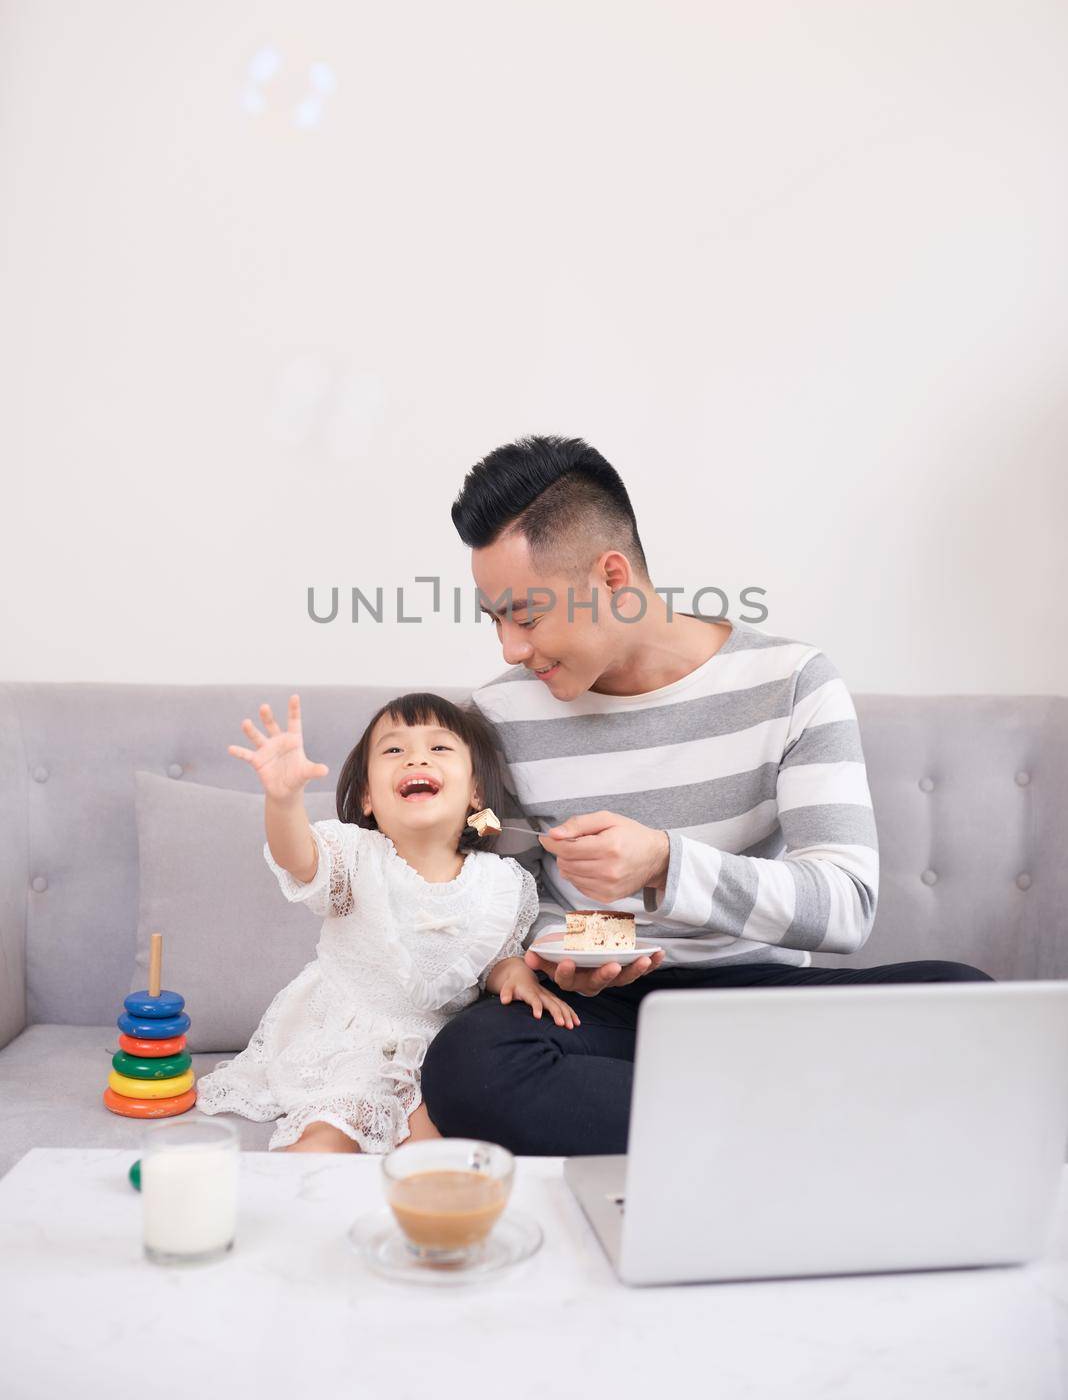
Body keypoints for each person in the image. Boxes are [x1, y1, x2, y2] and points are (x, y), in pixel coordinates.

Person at [419, 434, 993, 1155]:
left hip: (757, 1004)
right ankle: (789, 1130)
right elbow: (514, 901)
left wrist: (665, 865)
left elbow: (847, 905)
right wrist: (568, 953)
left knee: (966, 1004)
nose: (509, 647)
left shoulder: (792, 684)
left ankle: (698, 1126)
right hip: (600, 1019)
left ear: (613, 578)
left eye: (526, 617)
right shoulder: (502, 714)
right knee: (468, 1063)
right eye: (494, 618)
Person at [195, 690, 578, 1154]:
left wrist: (516, 976)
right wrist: (283, 800)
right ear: (367, 797)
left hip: (438, 1053)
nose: (416, 758)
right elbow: (299, 858)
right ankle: (291, 1205)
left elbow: (493, 960)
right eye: (394, 749)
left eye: (439, 748)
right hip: (350, 1043)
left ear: (476, 790)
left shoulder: (501, 883)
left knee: (437, 1154)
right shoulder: (356, 857)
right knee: (331, 1134)